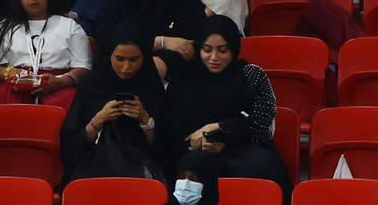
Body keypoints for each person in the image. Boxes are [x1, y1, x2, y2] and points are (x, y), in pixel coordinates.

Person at [168, 16, 287, 189]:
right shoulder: (182, 81)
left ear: (233, 49)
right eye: (207, 50)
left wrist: (220, 128)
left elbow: (262, 121)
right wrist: (198, 143)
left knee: (264, 165)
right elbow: (172, 128)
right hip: (196, 152)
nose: (214, 57)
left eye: (223, 50)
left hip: (242, 148)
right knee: (190, 167)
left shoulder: (250, 75)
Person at [59, 29, 170, 182]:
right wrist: (98, 120)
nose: (126, 67)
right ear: (108, 56)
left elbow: (166, 149)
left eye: (134, 59)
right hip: (93, 165)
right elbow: (70, 148)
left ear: (144, 58)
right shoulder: (91, 86)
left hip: (142, 167)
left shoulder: (151, 88)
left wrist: (145, 120)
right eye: (119, 59)